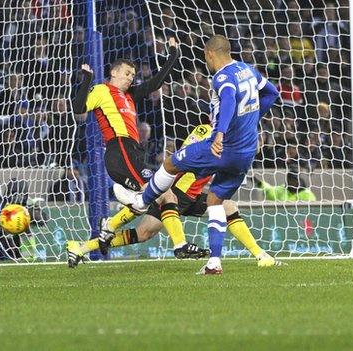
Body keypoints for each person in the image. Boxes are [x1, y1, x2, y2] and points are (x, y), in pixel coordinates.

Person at [113, 35, 280, 274]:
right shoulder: (248, 70)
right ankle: (214, 263)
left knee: (170, 163)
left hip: (222, 147)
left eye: (205, 57)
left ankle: (140, 201)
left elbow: (230, 98)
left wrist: (220, 133)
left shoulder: (222, 77)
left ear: (210, 54)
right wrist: (250, 122)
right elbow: (272, 94)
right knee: (215, 201)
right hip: (246, 151)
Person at [66, 125, 281, 268]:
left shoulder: (235, 150)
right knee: (144, 232)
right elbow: (183, 158)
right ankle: (86, 243)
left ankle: (260, 255)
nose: (256, 143)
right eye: (256, 137)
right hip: (176, 191)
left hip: (193, 195)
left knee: (228, 206)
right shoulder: (206, 131)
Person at [72, 37, 205, 259]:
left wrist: (173, 55)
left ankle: (112, 223)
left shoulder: (130, 95)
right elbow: (78, 108)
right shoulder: (102, 90)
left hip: (133, 152)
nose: (130, 78)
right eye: (126, 73)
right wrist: (86, 79)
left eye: (133, 75)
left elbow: (155, 83)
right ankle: (177, 244)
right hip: (120, 149)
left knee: (160, 196)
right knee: (160, 194)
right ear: (114, 72)